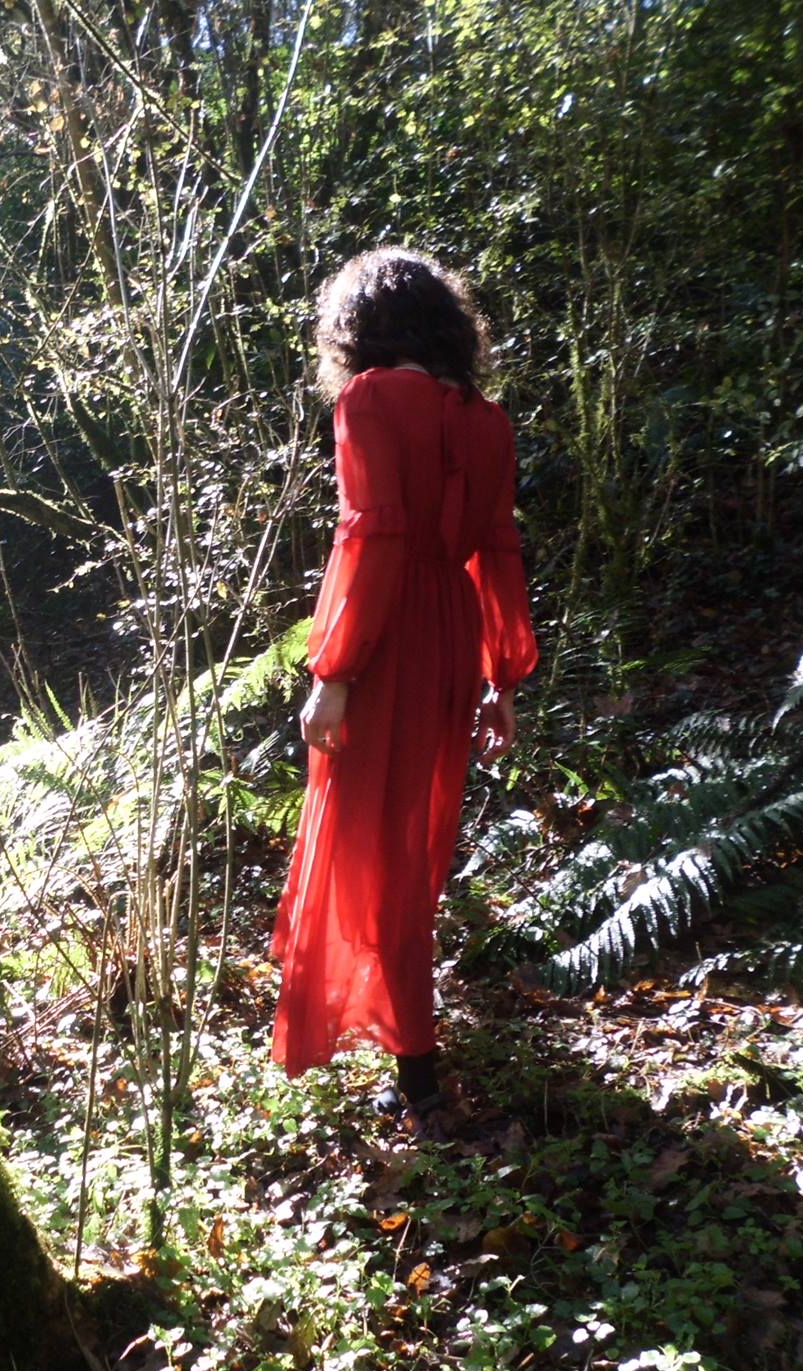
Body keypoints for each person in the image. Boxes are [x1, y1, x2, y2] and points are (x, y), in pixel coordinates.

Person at [269, 247, 538, 1124]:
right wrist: (501, 675)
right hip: (454, 634)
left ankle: (416, 1071)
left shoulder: (371, 399)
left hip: (391, 637)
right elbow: (496, 548)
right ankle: (405, 1045)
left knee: (371, 842)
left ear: (362, 327)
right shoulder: (486, 419)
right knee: (410, 841)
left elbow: (369, 542)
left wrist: (334, 672)